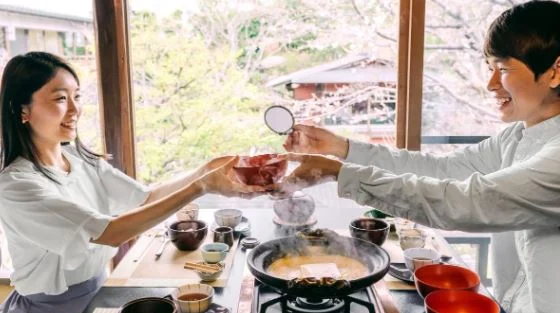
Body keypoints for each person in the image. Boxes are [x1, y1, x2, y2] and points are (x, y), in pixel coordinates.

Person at [279, 1, 560, 313]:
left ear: (555, 71)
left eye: (503, 69)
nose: (490, 84)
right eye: (489, 68)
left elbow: (467, 202)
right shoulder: (517, 136)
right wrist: (342, 147)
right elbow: (441, 170)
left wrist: (339, 172)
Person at [0, 52, 264, 313]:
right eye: (60, 98)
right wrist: (202, 186)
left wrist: (204, 170)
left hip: (102, 289)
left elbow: (145, 198)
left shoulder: (79, 159)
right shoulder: (16, 186)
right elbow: (110, 232)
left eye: (77, 97)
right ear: (22, 109)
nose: (75, 109)